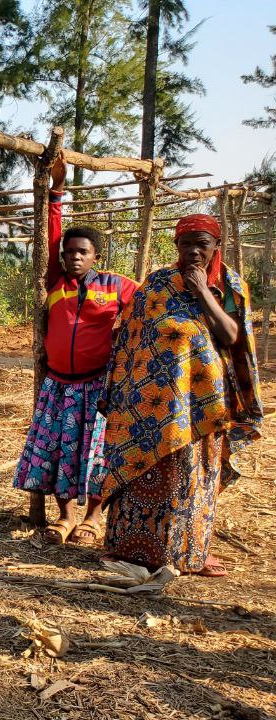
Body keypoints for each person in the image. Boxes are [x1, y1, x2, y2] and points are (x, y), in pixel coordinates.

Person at [101, 214, 264, 577]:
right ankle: (128, 551)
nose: (192, 251)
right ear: (176, 246)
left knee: (193, 476)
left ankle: (187, 553)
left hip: (201, 405)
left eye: (201, 244)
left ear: (215, 246)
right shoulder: (156, 284)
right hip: (149, 405)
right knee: (144, 468)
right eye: (185, 243)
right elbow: (129, 338)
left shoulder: (229, 285)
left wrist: (203, 290)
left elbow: (232, 337)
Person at [13, 158, 137, 545]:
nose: (74, 257)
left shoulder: (117, 287)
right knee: (60, 452)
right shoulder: (56, 283)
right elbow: (49, 235)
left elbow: (150, 308)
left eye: (82, 252)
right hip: (59, 386)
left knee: (97, 455)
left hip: (98, 388)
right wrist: (55, 193)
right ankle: (65, 517)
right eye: (69, 252)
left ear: (96, 255)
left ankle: (94, 517)